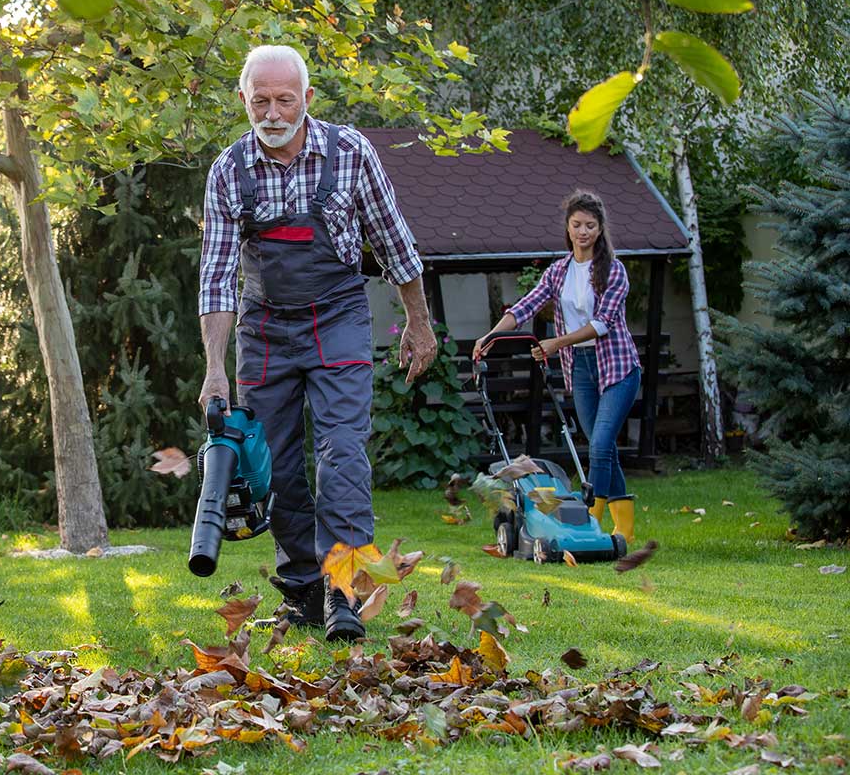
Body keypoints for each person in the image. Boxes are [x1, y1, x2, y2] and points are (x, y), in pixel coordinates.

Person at [198, 45, 436, 642]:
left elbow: (394, 244)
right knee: (273, 465)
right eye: (260, 101)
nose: (272, 112)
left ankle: (343, 591)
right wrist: (215, 369)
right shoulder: (229, 171)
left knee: (343, 453)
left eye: (284, 100)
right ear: (244, 101)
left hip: (337, 318)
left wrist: (419, 322)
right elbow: (218, 276)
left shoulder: (350, 154)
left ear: (307, 99)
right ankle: (302, 589)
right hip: (265, 328)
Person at [473, 190, 641, 542]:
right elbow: (524, 308)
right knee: (603, 447)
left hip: (617, 368)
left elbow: (602, 324)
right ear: (568, 227)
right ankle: (623, 526)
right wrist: (489, 337)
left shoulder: (614, 271)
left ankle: (589, 523)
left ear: (600, 229)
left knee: (598, 446)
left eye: (590, 226)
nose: (583, 232)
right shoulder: (558, 271)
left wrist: (555, 342)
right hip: (579, 368)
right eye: (577, 225)